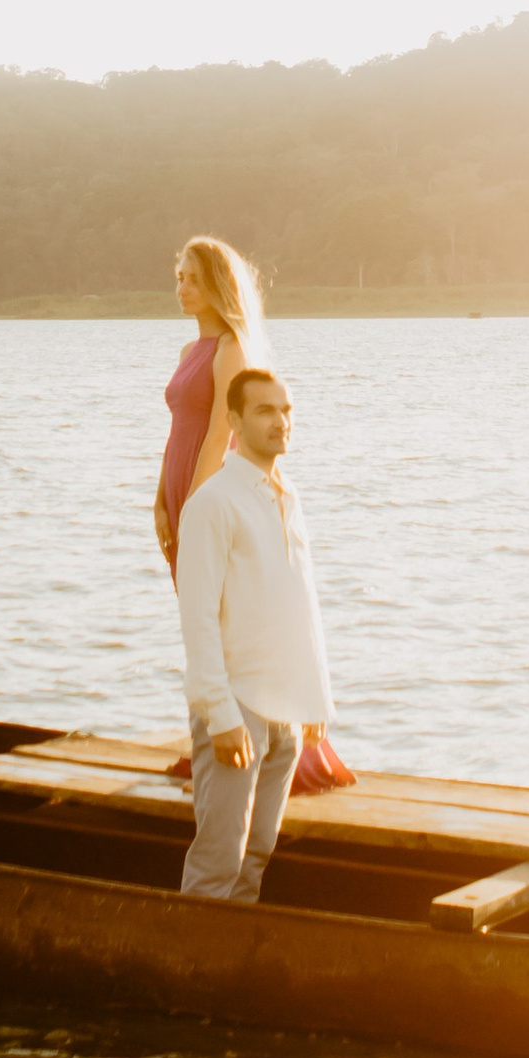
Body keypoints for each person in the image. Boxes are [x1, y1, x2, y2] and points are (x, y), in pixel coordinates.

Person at [174, 365, 336, 902]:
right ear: (234, 420)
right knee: (220, 859)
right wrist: (219, 716)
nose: (280, 421)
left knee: (259, 851)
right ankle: (193, 970)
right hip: (236, 708)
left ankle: (229, 965)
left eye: (286, 409)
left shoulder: (286, 495)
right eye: (265, 410)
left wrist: (316, 700)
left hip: (285, 710)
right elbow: (197, 619)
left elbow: (301, 602)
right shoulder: (214, 502)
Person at [154, 237, 265, 588]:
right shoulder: (188, 352)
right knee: (189, 604)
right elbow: (176, 431)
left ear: (217, 285)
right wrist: (160, 501)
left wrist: (194, 507)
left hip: (207, 489)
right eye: (180, 277)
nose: (182, 288)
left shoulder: (230, 348)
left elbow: (220, 434)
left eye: (194, 280)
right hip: (178, 484)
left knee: (214, 606)